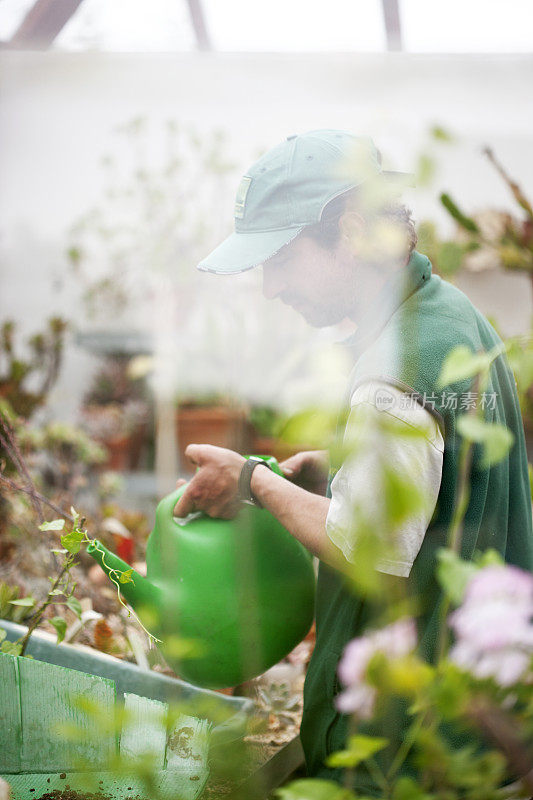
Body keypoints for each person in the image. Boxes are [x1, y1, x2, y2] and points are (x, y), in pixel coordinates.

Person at [174, 130, 533, 792]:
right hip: (469, 722)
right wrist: (329, 474)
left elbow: (368, 545)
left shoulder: (397, 370)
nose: (269, 287)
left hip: (411, 747)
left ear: (346, 233)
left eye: (280, 258)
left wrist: (250, 481)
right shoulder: (445, 316)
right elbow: (434, 489)